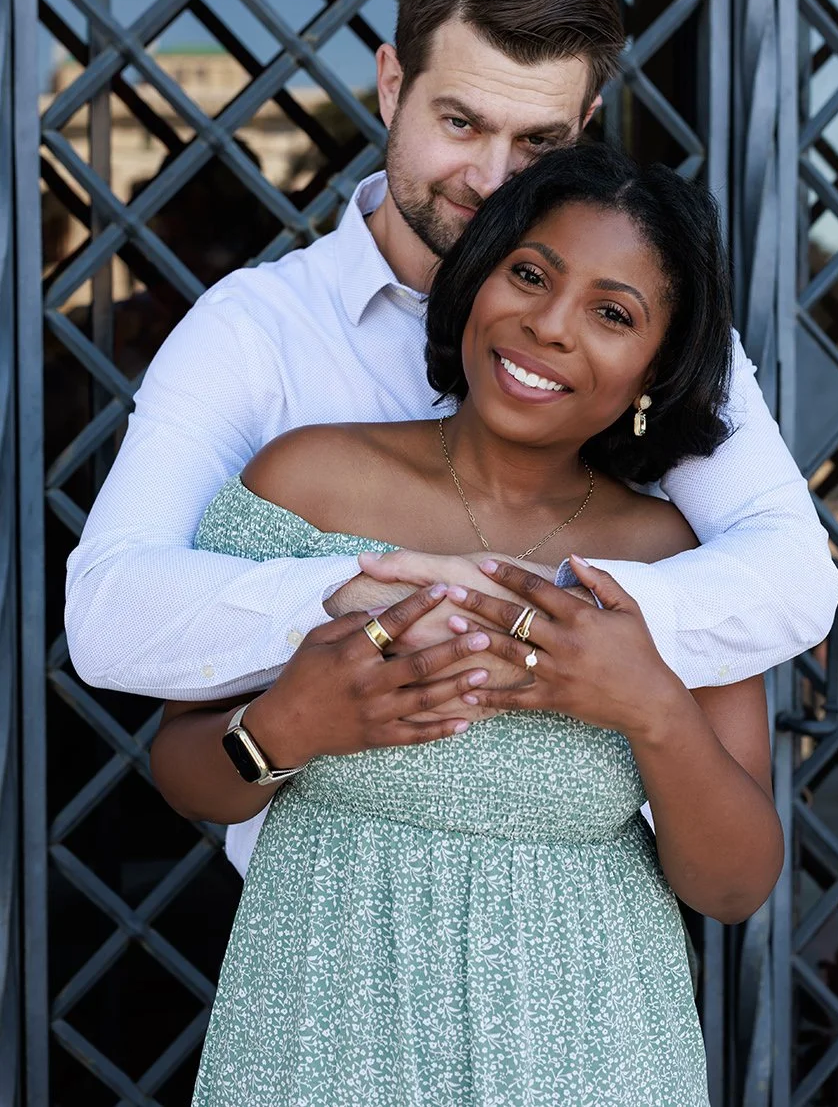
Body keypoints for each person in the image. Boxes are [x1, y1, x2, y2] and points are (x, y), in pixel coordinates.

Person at [65, 0, 838, 883]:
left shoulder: (639, 342)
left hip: (585, 924)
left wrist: (569, 629)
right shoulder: (256, 331)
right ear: (392, 85)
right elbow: (108, 613)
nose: (490, 178)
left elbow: (793, 578)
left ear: (586, 123)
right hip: (318, 918)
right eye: (461, 122)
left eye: (538, 140)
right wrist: (357, 596)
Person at [151, 144, 785, 1105]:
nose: (548, 324)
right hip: (323, 1025)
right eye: (530, 274)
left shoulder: (679, 559)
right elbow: (181, 771)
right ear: (480, 276)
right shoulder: (306, 483)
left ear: (660, 365)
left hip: (594, 1040)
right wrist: (286, 728)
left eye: (613, 314)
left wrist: (652, 709)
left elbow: (734, 888)